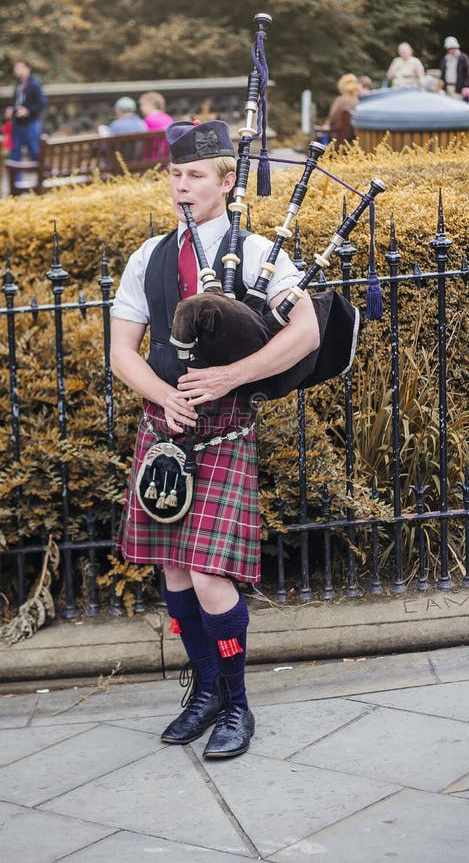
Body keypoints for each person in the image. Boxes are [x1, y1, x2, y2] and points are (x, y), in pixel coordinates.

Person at [110, 119, 319, 759]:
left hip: (225, 432)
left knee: (207, 577)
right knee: (173, 572)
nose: (182, 187)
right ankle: (202, 691)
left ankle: (236, 703)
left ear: (227, 181)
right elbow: (122, 352)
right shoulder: (147, 258)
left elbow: (305, 333)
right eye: (174, 175)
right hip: (163, 430)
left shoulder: (257, 253)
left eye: (195, 175)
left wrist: (233, 372)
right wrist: (163, 393)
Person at [5, 60, 46, 171]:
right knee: (14, 154)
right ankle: (15, 183)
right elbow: (17, 102)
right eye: (16, 68)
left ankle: (43, 178)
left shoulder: (34, 85)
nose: (16, 70)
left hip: (31, 124)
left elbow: (41, 103)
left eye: (19, 67)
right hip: (17, 124)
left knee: (35, 152)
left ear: (27, 69)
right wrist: (11, 109)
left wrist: (27, 110)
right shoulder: (18, 85)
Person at [326, 73, 359, 146]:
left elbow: (332, 119)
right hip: (353, 141)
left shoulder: (340, 100)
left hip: (336, 139)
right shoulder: (358, 101)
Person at [139, 91, 173, 158]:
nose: (141, 108)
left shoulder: (147, 120)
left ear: (149, 105)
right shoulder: (168, 118)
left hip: (152, 159)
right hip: (168, 158)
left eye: (142, 105)